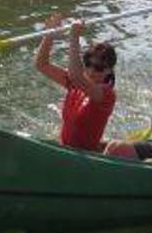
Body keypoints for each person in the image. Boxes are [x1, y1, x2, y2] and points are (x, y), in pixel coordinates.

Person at [35, 15, 117, 152]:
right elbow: (41, 64)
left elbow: (76, 76)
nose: (91, 71)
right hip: (64, 149)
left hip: (84, 157)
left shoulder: (107, 95)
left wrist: (74, 36)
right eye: (88, 64)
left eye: (98, 68)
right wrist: (50, 34)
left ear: (109, 71)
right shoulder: (75, 84)